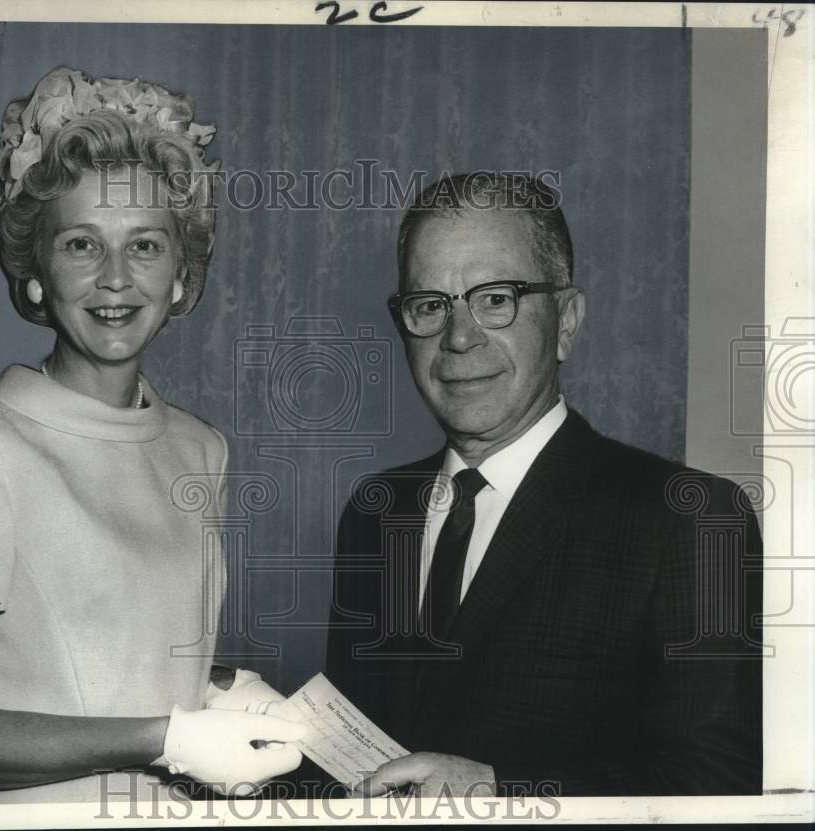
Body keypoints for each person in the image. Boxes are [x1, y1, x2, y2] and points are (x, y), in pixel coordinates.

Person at [0, 66, 304, 804]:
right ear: (36, 273)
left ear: (181, 275)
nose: (115, 278)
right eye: (82, 244)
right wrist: (169, 738)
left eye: (145, 246)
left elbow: (108, 649)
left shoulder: (199, 450)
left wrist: (222, 688)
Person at [327, 173, 763, 797]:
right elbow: (356, 754)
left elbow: (722, 783)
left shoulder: (688, 519)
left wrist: (502, 793)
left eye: (495, 298)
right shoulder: (374, 512)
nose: (458, 338)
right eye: (430, 305)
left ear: (566, 320)